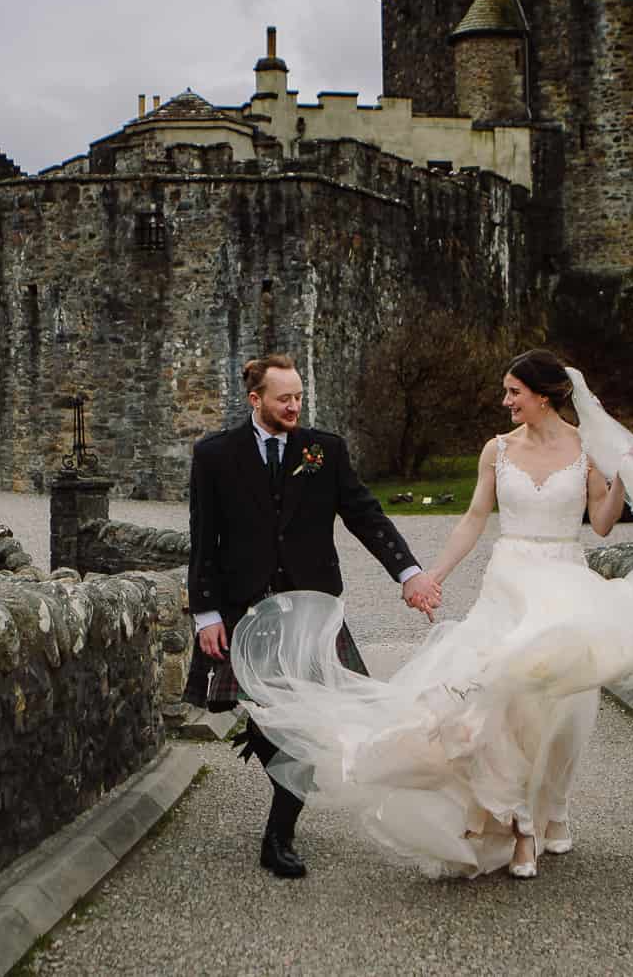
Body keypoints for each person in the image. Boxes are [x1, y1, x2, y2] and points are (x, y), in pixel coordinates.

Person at [229, 349, 633, 880]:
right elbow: (472, 520)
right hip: (508, 585)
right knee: (497, 707)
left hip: (565, 584)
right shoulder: (496, 450)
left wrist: (621, 478)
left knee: (563, 714)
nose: (504, 401)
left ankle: (550, 810)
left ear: (545, 397)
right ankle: (518, 825)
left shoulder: (585, 450)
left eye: (514, 392)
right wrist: (430, 574)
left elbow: (600, 523)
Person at [183, 353, 442, 879]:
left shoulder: (325, 450)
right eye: (284, 398)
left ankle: (279, 835)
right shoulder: (214, 455)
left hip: (310, 610)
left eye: (299, 396)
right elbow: (203, 537)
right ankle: (270, 751)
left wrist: (408, 573)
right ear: (255, 400)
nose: (295, 406)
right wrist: (205, 613)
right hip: (243, 610)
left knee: (305, 724)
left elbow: (365, 515)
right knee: (267, 723)